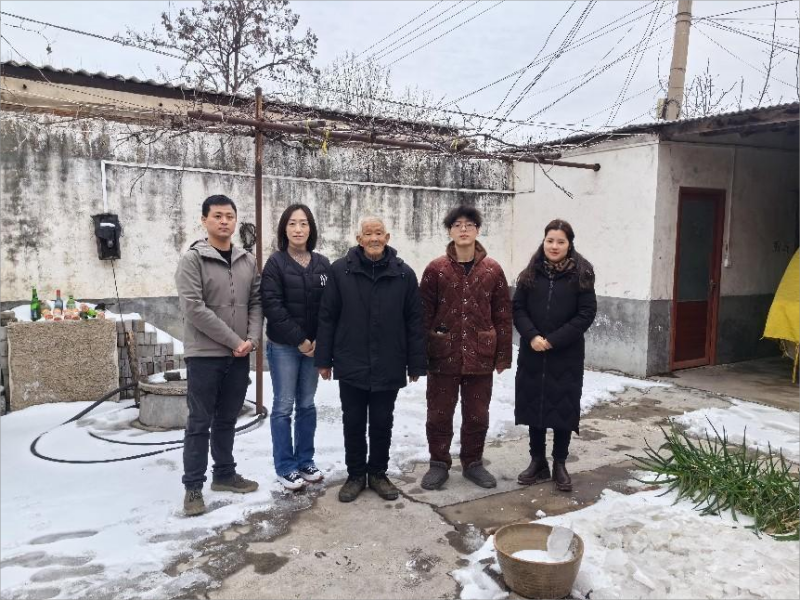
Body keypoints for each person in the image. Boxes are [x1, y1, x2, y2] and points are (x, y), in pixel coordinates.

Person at [315, 216, 427, 503]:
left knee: (381, 421)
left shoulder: (404, 274)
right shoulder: (340, 271)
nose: (374, 238)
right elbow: (327, 316)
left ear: (387, 238)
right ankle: (355, 475)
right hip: (351, 360)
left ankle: (377, 473)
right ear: (359, 239)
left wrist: (416, 362)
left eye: (379, 233)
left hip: (389, 361)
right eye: (368, 233)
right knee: (352, 421)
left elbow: (414, 320)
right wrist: (324, 359)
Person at [175, 194, 262, 516]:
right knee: (199, 421)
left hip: (239, 354)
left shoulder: (247, 260)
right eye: (217, 216)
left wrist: (252, 339)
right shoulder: (193, 259)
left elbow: (256, 302)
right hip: (204, 354)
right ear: (204, 220)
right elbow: (193, 309)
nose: (224, 221)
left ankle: (224, 474)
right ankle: (193, 487)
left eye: (229, 216)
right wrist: (234, 340)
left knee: (227, 418)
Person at [419, 205, 513, 490]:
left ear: (477, 230)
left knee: (477, 414)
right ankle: (438, 464)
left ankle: (473, 463)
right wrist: (419, 354)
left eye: (469, 224)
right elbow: (423, 314)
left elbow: (502, 314)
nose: (463, 229)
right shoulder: (435, 269)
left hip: (480, 355)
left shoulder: (493, 270)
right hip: (442, 353)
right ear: (449, 231)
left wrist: (503, 355)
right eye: (457, 224)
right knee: (439, 413)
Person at [513, 219, 597, 492]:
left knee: (563, 407)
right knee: (534, 406)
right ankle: (537, 461)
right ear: (544, 241)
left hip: (566, 354)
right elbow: (518, 308)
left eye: (561, 241)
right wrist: (532, 336)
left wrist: (553, 340)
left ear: (569, 244)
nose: (554, 246)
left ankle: (560, 462)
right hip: (533, 351)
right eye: (550, 240)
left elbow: (586, 314)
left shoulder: (581, 274)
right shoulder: (530, 273)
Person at [260, 204, 330, 491]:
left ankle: (305, 460)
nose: (298, 229)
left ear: (311, 228)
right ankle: (285, 466)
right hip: (284, 347)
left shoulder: (322, 264)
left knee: (306, 405)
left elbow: (330, 306)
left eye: (303, 223)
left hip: (314, 348)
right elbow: (272, 306)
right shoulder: (275, 264)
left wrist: (320, 341)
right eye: (292, 223)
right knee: (283, 406)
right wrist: (300, 341)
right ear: (284, 229)